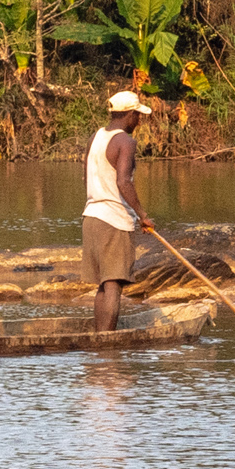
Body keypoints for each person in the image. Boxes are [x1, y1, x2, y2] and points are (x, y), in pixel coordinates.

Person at [83, 91, 156, 332]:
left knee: (103, 285)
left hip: (91, 217)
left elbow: (87, 177)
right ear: (129, 115)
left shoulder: (95, 137)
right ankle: (107, 343)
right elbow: (124, 182)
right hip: (113, 219)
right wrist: (142, 215)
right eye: (138, 116)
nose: (139, 121)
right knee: (113, 284)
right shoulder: (126, 141)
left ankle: (100, 337)